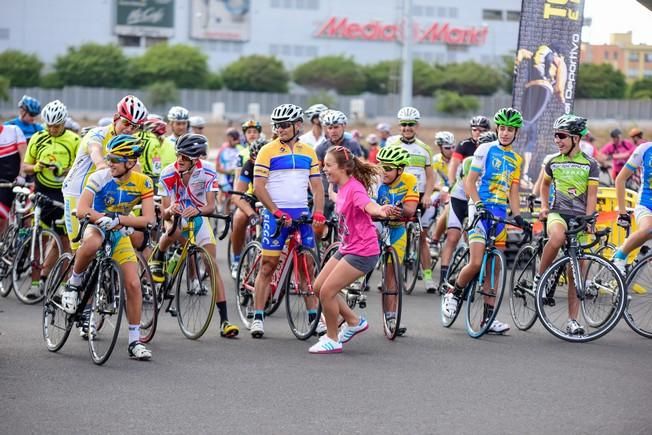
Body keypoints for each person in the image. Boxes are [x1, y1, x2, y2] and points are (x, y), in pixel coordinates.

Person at [60, 135, 156, 360]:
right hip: (97, 225)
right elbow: (82, 209)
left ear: (130, 162)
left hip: (118, 231)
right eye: (108, 157)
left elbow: (149, 219)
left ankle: (134, 342)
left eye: (115, 158)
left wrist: (120, 220)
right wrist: (104, 218)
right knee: (92, 242)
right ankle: (74, 284)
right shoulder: (99, 176)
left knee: (133, 283)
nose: (109, 162)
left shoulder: (144, 182)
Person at [442, 107, 527, 334]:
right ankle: (454, 292)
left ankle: (488, 320)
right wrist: (478, 204)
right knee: (477, 261)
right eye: (502, 128)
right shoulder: (485, 148)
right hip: (479, 206)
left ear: (516, 132)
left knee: (494, 268)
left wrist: (517, 216)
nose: (506, 133)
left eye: (510, 129)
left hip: (499, 213)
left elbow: (514, 190)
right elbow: (470, 182)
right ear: (497, 129)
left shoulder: (516, 159)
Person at [309, 146, 400, 353]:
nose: (325, 169)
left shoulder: (355, 188)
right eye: (324, 165)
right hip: (348, 247)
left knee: (327, 292)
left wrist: (380, 210)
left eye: (329, 165)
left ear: (342, 168)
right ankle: (353, 320)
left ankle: (332, 338)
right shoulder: (342, 187)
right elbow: (341, 201)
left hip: (363, 251)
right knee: (318, 286)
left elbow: (368, 205)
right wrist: (331, 194)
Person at [149, 133, 240, 338]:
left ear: (196, 159)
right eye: (178, 155)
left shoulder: (207, 170)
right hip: (174, 215)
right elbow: (164, 213)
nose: (179, 160)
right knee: (175, 230)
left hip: (198, 216)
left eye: (185, 158)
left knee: (212, 265)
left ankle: (224, 321)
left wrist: (197, 212)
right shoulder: (167, 173)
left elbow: (210, 206)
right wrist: (171, 210)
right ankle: (159, 254)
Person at [251, 103, 325, 339]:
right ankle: (258, 316)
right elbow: (259, 187)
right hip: (276, 216)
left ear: (297, 125)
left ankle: (314, 316)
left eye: (284, 125)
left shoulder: (309, 151)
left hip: (301, 215)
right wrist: (274, 212)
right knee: (267, 266)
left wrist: (320, 212)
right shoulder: (267, 150)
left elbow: (317, 186)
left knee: (307, 269)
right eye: (277, 125)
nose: (280, 129)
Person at [536, 114, 599, 335]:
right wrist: (544, 206)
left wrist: (589, 219)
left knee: (577, 273)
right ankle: (540, 277)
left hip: (579, 218)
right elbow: (544, 186)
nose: (557, 140)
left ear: (575, 138)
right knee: (557, 237)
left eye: (561, 136)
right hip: (558, 214)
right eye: (555, 136)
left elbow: (592, 195)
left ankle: (573, 320)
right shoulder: (554, 161)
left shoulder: (590, 164)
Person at [62, 95, 148, 251]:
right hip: (76, 191)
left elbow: (136, 169)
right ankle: (77, 274)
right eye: (126, 123)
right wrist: (101, 165)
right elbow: (95, 149)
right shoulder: (98, 133)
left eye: (134, 127)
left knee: (139, 238)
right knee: (80, 249)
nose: (129, 129)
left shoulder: (129, 144)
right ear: (116, 118)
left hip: (102, 193)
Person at [22, 100, 79, 298]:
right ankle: (35, 284)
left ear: (64, 123)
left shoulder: (74, 140)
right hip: (42, 191)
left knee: (64, 240)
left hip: (64, 193)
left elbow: (78, 167)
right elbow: (26, 167)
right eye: (49, 125)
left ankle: (63, 285)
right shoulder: (38, 138)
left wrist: (63, 170)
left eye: (57, 125)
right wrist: (38, 166)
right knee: (39, 237)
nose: (53, 129)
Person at [386, 106, 436, 292]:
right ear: (400, 126)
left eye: (411, 124)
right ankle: (385, 274)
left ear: (417, 126)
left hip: (420, 195)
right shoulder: (392, 146)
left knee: (422, 236)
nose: (407, 128)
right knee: (389, 236)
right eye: (404, 124)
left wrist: (429, 194)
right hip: (398, 195)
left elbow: (430, 176)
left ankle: (429, 278)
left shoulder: (424, 149)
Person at [438, 130, 495, 289]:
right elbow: (468, 186)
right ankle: (443, 278)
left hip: (478, 202)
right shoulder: (471, 161)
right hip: (461, 199)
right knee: (453, 237)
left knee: (476, 241)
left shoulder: (495, 161)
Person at [374, 146, 419, 335]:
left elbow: (411, 209)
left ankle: (390, 318)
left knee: (392, 275)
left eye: (389, 168)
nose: (384, 171)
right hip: (376, 225)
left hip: (397, 229)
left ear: (400, 169)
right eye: (382, 166)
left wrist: (397, 211)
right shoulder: (375, 179)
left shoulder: (409, 180)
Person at [613, 134, 652, 275]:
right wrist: (622, 212)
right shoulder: (645, 149)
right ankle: (619, 256)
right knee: (649, 228)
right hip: (646, 205)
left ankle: (634, 267)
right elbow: (620, 179)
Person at [314, 110, 363, 223]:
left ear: (344, 126)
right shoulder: (321, 148)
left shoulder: (352, 144)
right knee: (317, 225)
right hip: (327, 193)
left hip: (347, 193)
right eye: (330, 128)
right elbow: (315, 172)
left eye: (336, 127)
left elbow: (360, 167)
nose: (333, 131)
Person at [229, 137, 267, 279]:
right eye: (255, 158)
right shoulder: (248, 165)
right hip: (252, 199)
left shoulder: (277, 165)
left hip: (271, 200)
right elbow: (237, 196)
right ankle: (237, 259)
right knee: (239, 218)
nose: (258, 162)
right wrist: (251, 214)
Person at [425, 131, 454, 285]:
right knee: (434, 202)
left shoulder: (457, 160)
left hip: (451, 192)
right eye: (447, 147)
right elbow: (431, 178)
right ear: (440, 147)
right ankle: (433, 239)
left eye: (452, 147)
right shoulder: (435, 160)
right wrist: (440, 188)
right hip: (438, 190)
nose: (451, 150)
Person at [0, 122, 26, 235]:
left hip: (18, 181)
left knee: (27, 220)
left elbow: (24, 157)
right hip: (2, 184)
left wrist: (22, 176)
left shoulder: (13, 131)